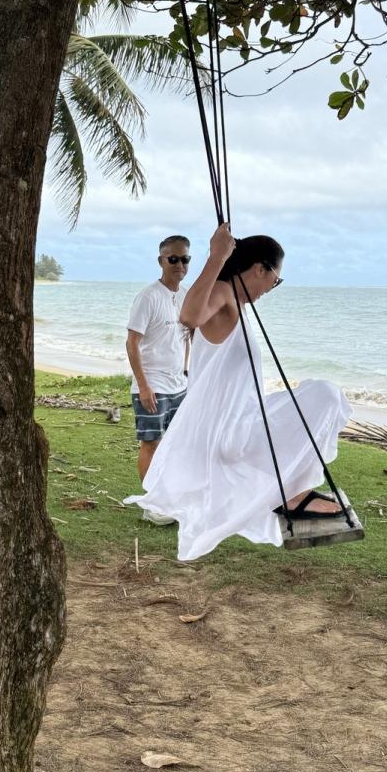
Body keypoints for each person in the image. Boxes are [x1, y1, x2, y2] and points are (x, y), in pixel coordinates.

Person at [126, 224, 351, 560]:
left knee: (322, 397)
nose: (271, 288)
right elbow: (189, 316)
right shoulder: (224, 293)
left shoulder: (236, 304)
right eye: (275, 280)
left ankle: (293, 494)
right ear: (260, 269)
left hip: (243, 420)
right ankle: (292, 497)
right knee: (326, 395)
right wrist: (216, 256)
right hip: (232, 430)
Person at [125, 235, 192, 495]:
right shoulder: (149, 296)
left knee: (175, 443)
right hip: (152, 385)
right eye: (173, 259)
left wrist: (187, 370)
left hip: (179, 385)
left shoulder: (187, 296)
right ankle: (150, 499)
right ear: (161, 261)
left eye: (185, 259)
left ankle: (168, 494)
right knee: (151, 443)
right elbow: (132, 342)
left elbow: (188, 337)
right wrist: (143, 386)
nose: (180, 265)